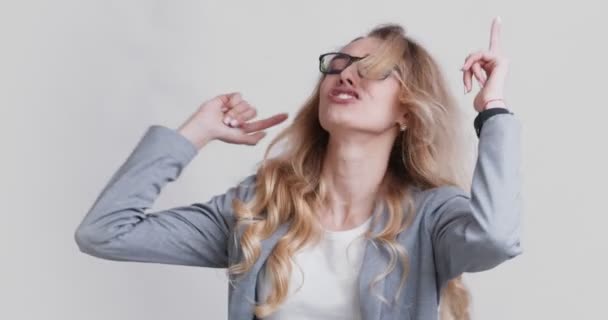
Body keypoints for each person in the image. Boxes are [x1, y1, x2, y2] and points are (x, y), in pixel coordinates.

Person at [74, 16, 522, 320]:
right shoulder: (258, 207)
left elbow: (496, 239)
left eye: (372, 70)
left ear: (407, 112)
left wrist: (493, 110)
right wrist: (195, 132)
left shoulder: (432, 217)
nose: (346, 74)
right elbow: (105, 232)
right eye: (338, 64)